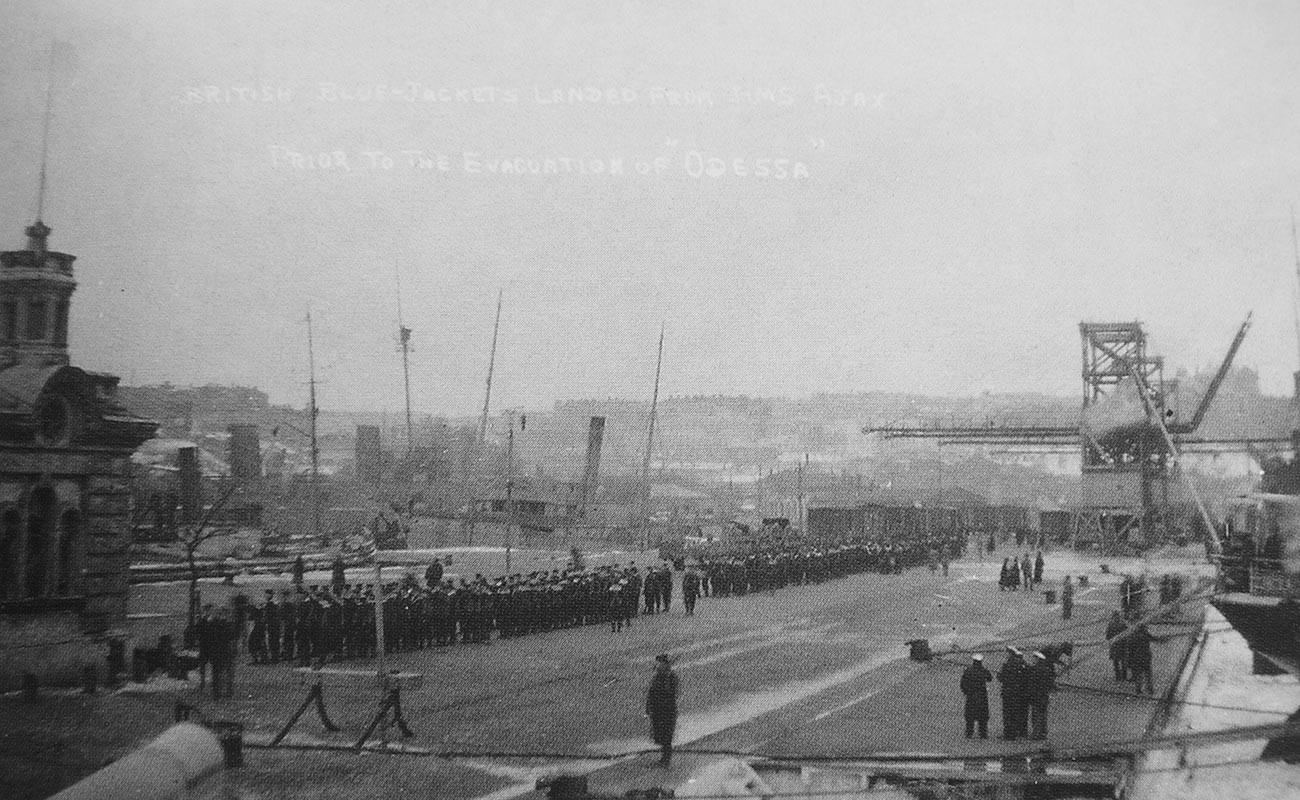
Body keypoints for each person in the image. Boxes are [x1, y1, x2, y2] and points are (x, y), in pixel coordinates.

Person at [646, 653, 679, 766]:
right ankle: (664, 758)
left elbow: (671, 693)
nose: (657, 666)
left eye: (660, 663)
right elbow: (651, 692)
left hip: (666, 710)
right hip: (657, 710)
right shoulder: (658, 676)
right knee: (660, 734)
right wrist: (648, 707)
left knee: (666, 736)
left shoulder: (670, 677)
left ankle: (666, 760)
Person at [960, 653, 993, 739]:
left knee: (970, 715)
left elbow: (962, 683)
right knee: (983, 715)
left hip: (971, 696)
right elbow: (990, 678)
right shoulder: (983, 670)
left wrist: (966, 692)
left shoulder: (968, 671)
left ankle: (969, 733)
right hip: (982, 696)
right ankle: (983, 733)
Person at [997, 646, 1027, 739]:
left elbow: (1001, 677)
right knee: (1016, 712)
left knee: (1008, 713)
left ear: (1010, 653)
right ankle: (1018, 732)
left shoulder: (1007, 664)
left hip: (1008, 692)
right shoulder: (1020, 663)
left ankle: (1009, 734)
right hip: (1018, 692)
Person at [1025, 651, 1053, 740]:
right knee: (1043, 715)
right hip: (1044, 696)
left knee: (1036, 715)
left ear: (1037, 659)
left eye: (1034, 658)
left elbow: (1032, 683)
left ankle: (1036, 734)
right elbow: (1050, 683)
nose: (1033, 660)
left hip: (1036, 696)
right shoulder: (1047, 669)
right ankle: (1043, 733)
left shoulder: (1035, 670)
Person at [1105, 610, 1129, 681]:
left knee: (1116, 662)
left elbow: (1107, 636)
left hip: (1114, 646)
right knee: (1123, 662)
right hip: (1122, 646)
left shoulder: (1110, 624)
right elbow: (1127, 634)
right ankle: (1124, 677)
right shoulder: (1123, 624)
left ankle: (1118, 677)